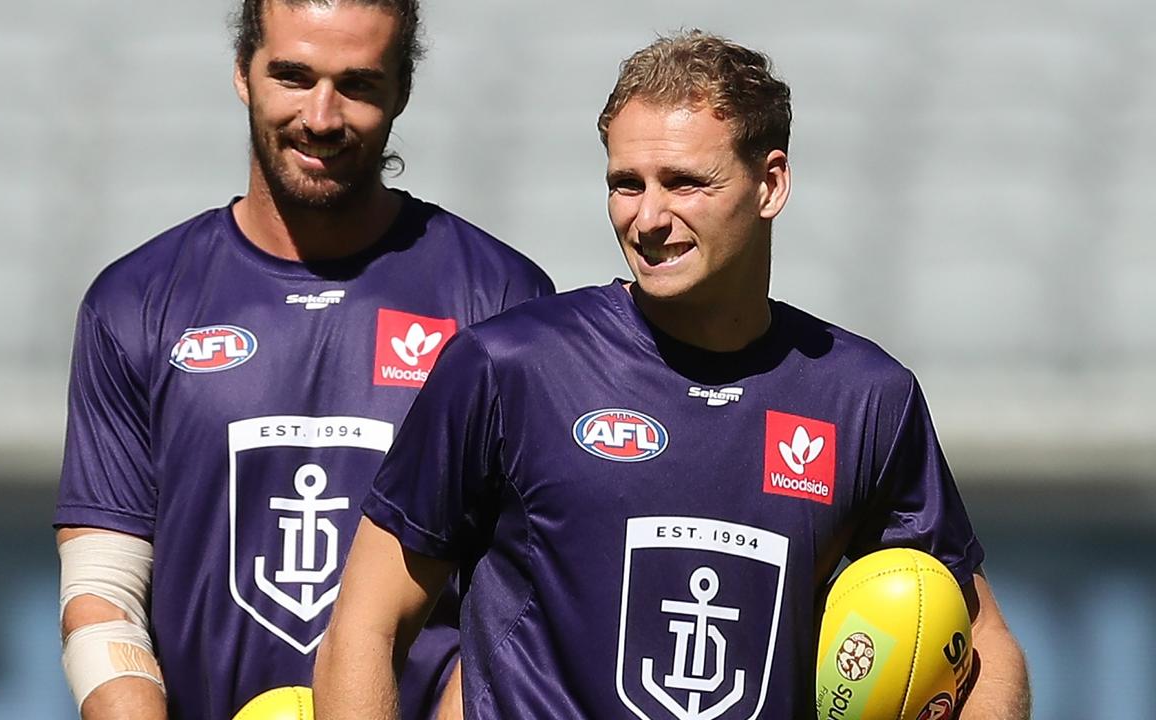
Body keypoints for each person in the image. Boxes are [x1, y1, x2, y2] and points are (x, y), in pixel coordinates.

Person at [314, 30, 1031, 720]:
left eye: (685, 183)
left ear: (770, 183)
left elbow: (985, 642)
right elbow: (366, 625)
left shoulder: (864, 398)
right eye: (626, 184)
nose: (648, 217)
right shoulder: (507, 367)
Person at [52, 0, 553, 718]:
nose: (320, 117)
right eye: (292, 75)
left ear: (402, 91)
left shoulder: (500, 299)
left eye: (357, 84)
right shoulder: (134, 303)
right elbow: (102, 594)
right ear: (242, 73)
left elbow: (524, 601)